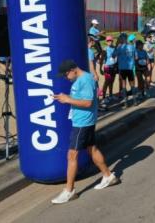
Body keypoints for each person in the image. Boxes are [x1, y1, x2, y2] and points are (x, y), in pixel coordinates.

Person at [51, 60, 119, 204]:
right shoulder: (81, 79)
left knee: (71, 155)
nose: (65, 78)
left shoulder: (86, 80)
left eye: (65, 75)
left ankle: (69, 191)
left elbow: (88, 102)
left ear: (72, 70)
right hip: (82, 121)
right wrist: (65, 98)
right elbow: (81, 99)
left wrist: (67, 99)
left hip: (83, 122)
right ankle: (108, 176)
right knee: (92, 149)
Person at [116, 34, 136, 107]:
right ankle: (134, 101)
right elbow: (136, 57)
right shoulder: (132, 46)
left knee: (124, 85)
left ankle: (126, 103)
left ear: (121, 39)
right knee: (132, 85)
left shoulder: (119, 47)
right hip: (130, 68)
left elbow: (113, 55)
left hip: (122, 68)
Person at [101, 36, 116, 106]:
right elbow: (101, 59)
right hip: (107, 67)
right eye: (108, 41)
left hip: (113, 67)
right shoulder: (105, 49)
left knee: (112, 81)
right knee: (107, 82)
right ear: (106, 42)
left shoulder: (114, 48)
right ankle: (103, 98)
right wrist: (100, 68)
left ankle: (110, 95)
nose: (109, 42)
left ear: (112, 41)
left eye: (110, 41)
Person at [134, 40, 149, 104]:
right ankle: (140, 93)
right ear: (137, 46)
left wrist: (147, 62)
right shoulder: (135, 51)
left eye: (142, 45)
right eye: (141, 45)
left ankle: (144, 92)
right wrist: (137, 59)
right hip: (138, 68)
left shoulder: (144, 51)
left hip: (144, 67)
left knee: (147, 79)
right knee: (140, 81)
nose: (142, 46)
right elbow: (135, 59)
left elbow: (147, 58)